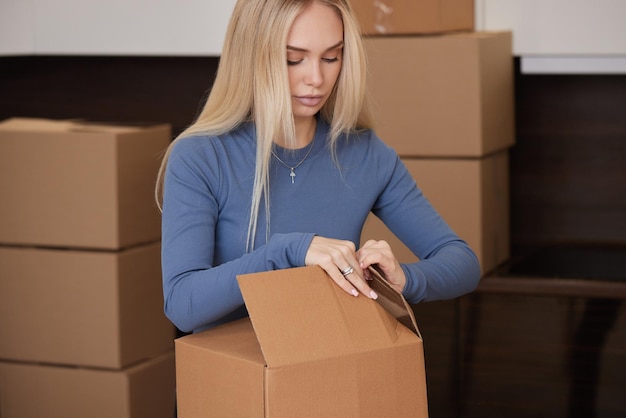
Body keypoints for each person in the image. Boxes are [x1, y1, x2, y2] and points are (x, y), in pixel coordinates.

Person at [155, 0, 481, 334]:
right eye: (293, 59)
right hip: (237, 379)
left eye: (331, 57)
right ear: (252, 57)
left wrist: (406, 278)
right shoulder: (200, 157)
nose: (317, 78)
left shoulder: (364, 153)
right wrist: (286, 252)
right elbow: (182, 305)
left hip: (332, 371)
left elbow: (463, 263)